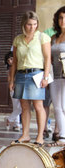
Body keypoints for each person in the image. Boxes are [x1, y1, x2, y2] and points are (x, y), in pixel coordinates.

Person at [9, 11, 51, 146]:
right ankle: (25, 134)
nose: (32, 27)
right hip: (21, 74)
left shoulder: (42, 37)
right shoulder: (18, 39)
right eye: (29, 24)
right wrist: (11, 79)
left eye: (34, 24)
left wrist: (45, 77)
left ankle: (40, 136)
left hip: (36, 75)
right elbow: (14, 61)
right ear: (24, 25)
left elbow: (47, 58)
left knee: (38, 106)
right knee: (24, 106)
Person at [47, 6, 65, 147]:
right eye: (60, 17)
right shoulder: (54, 38)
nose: (63, 20)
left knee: (64, 106)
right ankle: (63, 137)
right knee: (57, 107)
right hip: (55, 75)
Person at [4, 51, 22, 131]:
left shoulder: (20, 67)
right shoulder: (11, 69)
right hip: (13, 89)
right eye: (8, 61)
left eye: (11, 59)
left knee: (19, 107)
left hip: (20, 87)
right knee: (17, 107)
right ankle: (16, 123)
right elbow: (8, 79)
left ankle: (11, 120)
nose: (10, 62)